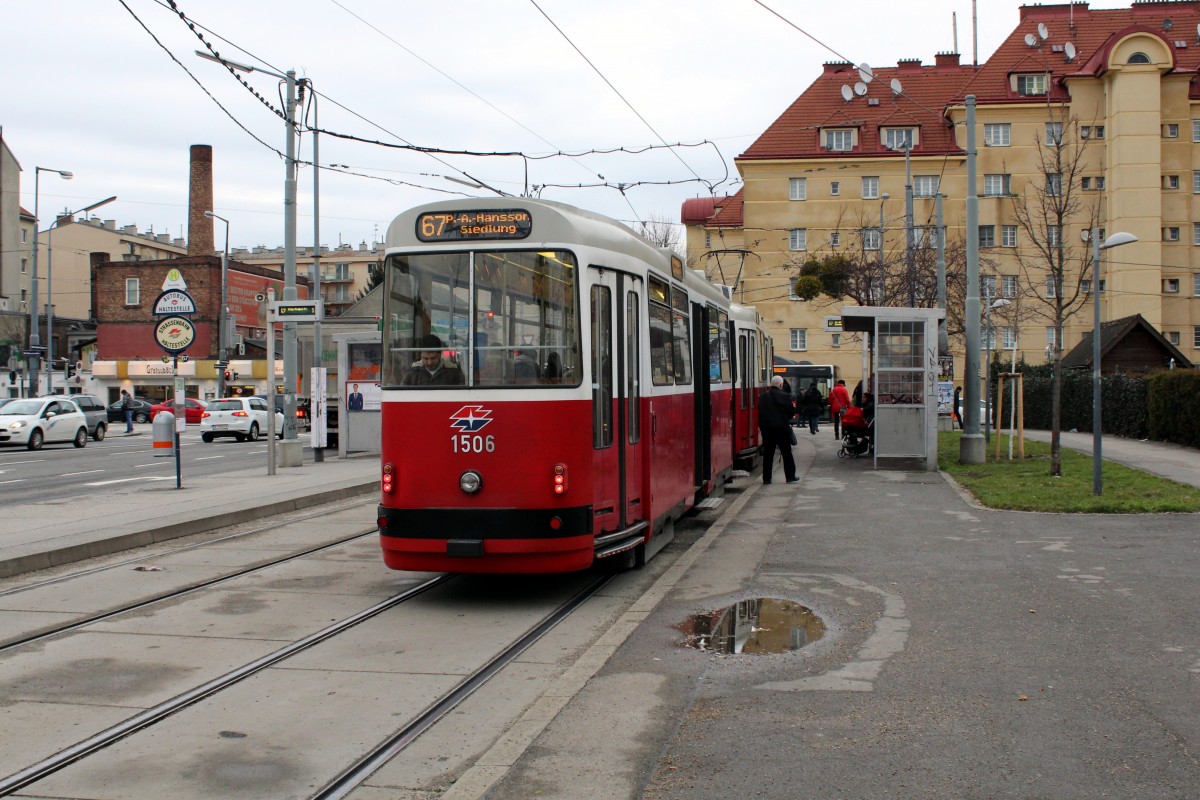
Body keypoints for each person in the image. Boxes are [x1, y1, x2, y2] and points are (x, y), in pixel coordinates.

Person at [757, 375, 798, 485]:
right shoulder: (785, 396)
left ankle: (767, 479)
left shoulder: (763, 396)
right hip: (781, 429)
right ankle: (790, 477)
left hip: (767, 429)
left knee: (768, 454)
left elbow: (760, 412)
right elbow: (791, 412)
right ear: (781, 385)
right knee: (786, 453)